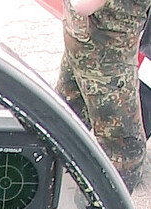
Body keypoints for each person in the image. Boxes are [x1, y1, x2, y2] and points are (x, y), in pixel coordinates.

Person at [57, 0, 151, 190]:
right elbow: (83, 5)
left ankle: (42, 189)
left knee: (64, 122)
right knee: (125, 154)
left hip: (85, 39)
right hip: (105, 57)